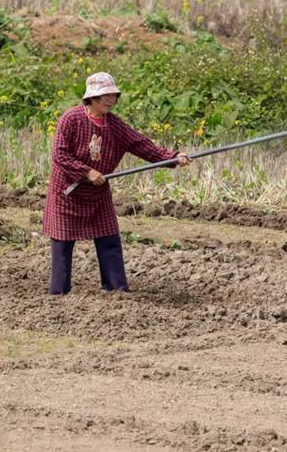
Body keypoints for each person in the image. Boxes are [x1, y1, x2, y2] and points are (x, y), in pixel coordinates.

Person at [43, 72, 191, 295]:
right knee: (62, 245)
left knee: (109, 240)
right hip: (67, 193)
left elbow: (141, 144)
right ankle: (58, 295)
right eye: (105, 95)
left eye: (113, 95)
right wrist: (87, 172)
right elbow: (60, 155)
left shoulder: (114, 125)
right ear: (91, 98)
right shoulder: (70, 119)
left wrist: (172, 157)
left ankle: (117, 291)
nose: (110, 100)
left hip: (98, 193)